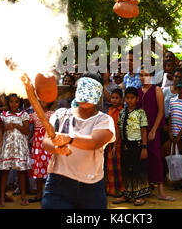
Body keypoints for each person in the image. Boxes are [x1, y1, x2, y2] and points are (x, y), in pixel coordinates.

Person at [41, 73, 116, 209]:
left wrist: (68, 139)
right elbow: (46, 142)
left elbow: (94, 142)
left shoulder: (104, 120)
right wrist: (56, 147)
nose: (87, 92)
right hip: (58, 186)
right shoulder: (60, 114)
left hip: (91, 189)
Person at [138, 68, 174, 201]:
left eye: (146, 75)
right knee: (141, 160)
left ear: (152, 76)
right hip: (139, 131)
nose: (143, 78)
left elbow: (160, 111)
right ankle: (144, 189)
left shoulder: (157, 90)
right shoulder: (137, 91)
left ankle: (161, 191)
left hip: (153, 129)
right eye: (141, 75)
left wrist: (153, 130)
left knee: (156, 158)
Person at [112, 87, 150, 206]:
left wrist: (144, 147)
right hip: (125, 144)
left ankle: (140, 195)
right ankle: (127, 194)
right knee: (125, 169)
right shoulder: (122, 112)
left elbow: (143, 131)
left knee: (138, 169)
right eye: (127, 98)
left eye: (132, 98)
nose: (129, 100)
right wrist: (115, 144)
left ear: (137, 99)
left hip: (137, 144)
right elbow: (119, 128)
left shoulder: (140, 112)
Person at [0, 94, 31, 207]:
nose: (14, 104)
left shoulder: (24, 115)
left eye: (16, 102)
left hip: (19, 147)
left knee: (21, 172)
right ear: (8, 103)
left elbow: (27, 131)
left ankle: (23, 197)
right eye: (11, 102)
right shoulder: (3, 115)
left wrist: (17, 126)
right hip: (7, 146)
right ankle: (2, 197)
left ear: (19, 103)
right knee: (4, 172)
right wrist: (6, 128)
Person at [28, 99, 55, 203]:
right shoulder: (33, 115)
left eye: (44, 101)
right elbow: (31, 129)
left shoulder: (53, 114)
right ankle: (39, 195)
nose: (41, 103)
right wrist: (28, 139)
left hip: (48, 143)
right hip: (37, 146)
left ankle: (50, 196)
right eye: (39, 101)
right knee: (38, 170)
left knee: (50, 170)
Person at [169, 80, 182, 192]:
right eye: (179, 88)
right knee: (176, 159)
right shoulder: (172, 100)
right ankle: (177, 181)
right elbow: (170, 116)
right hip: (174, 134)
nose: (181, 90)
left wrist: (180, 135)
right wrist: (170, 132)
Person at [105, 88, 124, 197]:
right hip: (109, 141)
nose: (114, 100)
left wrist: (115, 144)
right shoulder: (110, 110)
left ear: (121, 99)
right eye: (113, 98)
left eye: (117, 98)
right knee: (110, 166)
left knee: (118, 167)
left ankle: (119, 190)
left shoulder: (121, 111)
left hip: (118, 142)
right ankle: (110, 189)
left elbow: (119, 129)